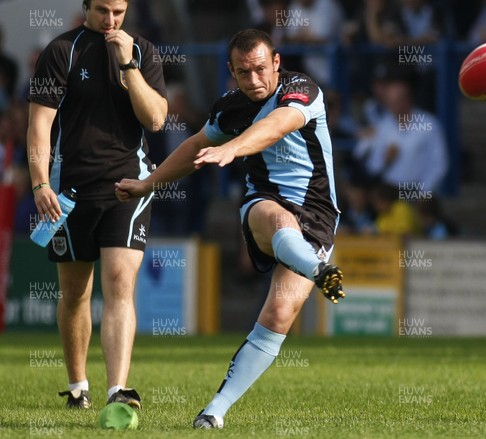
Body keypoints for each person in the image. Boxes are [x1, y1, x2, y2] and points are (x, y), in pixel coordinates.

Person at [115, 28, 345, 429]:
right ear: (231, 72)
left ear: (275, 63)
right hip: (265, 204)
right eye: (243, 73)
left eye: (260, 69)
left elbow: (276, 126)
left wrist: (233, 147)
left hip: (318, 215)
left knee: (278, 315)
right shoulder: (230, 108)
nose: (254, 81)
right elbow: (193, 149)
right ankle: (318, 269)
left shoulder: (302, 90)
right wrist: (148, 183)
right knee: (274, 218)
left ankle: (213, 410)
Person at [27, 0, 167, 409]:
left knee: (120, 284)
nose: (111, 20)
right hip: (68, 193)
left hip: (129, 188)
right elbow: (39, 124)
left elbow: (156, 119)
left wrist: (127, 66)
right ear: (85, 6)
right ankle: (77, 388)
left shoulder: (143, 51)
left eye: (119, 12)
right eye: (103, 10)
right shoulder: (60, 51)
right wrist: (39, 184)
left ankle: (117, 391)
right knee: (74, 294)